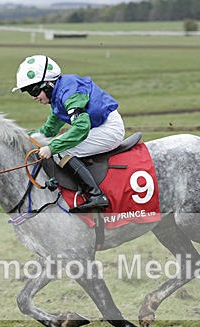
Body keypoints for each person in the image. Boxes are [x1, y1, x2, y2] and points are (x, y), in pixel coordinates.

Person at [12, 55, 125, 213]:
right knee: (57, 145)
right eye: (28, 91)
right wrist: (21, 138)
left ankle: (96, 195)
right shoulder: (58, 95)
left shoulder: (68, 93)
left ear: (49, 84)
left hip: (109, 129)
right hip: (98, 127)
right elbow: (48, 130)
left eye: (34, 90)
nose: (33, 97)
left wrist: (52, 148)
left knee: (61, 151)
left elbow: (81, 127)